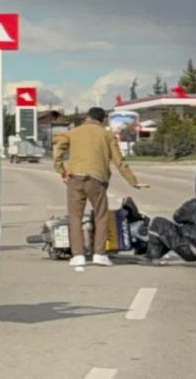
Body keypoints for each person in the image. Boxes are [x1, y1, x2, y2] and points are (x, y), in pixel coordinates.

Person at [53, 107, 149, 269]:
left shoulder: (72, 133)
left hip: (75, 178)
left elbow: (58, 150)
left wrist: (61, 170)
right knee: (101, 216)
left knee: (75, 217)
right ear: (102, 120)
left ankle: (78, 256)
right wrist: (133, 181)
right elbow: (119, 161)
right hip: (97, 180)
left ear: (87, 117)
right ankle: (99, 254)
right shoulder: (108, 135)